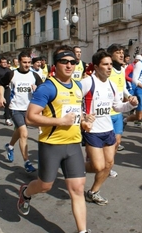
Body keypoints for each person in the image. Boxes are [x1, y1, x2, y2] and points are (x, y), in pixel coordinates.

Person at [19, 46, 92, 233]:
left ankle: (82, 231)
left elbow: (75, 114)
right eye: (64, 61)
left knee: (77, 189)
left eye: (73, 62)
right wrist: (61, 121)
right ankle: (26, 192)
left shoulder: (77, 86)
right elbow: (30, 117)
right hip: (51, 145)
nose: (69, 65)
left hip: (74, 144)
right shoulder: (47, 87)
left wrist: (84, 121)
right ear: (55, 64)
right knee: (45, 186)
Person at [81, 50, 137, 205]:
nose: (109, 67)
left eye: (110, 64)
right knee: (99, 166)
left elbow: (117, 107)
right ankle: (75, 166)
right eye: (105, 64)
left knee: (109, 164)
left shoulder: (112, 85)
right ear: (96, 67)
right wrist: (83, 116)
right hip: (93, 131)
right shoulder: (88, 82)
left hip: (108, 129)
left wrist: (131, 104)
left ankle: (93, 192)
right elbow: (72, 101)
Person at [0, 51, 43, 173]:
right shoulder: (12, 74)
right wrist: (1, 97)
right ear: (18, 62)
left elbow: (43, 90)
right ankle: (27, 162)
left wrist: (37, 89)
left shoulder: (34, 76)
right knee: (24, 133)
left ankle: (10, 146)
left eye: (29, 62)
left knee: (19, 130)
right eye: (24, 62)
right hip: (15, 108)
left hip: (29, 109)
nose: (27, 65)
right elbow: (1, 84)